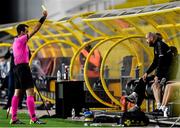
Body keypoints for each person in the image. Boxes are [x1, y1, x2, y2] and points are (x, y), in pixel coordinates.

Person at [10, 9, 47, 124]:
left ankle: (14, 118)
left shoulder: (16, 41)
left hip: (17, 69)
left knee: (17, 93)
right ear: (21, 32)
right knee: (30, 92)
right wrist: (43, 18)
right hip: (22, 68)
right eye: (26, 31)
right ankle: (33, 118)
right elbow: (35, 30)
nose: (27, 33)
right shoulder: (21, 40)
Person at [125, 32, 173, 112]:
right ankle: (135, 100)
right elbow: (155, 62)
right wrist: (146, 73)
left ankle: (159, 107)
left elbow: (161, 61)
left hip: (166, 74)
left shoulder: (159, 45)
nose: (146, 41)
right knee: (142, 80)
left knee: (155, 85)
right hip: (161, 73)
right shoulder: (156, 46)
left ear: (151, 38)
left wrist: (157, 75)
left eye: (147, 39)